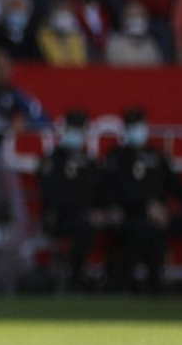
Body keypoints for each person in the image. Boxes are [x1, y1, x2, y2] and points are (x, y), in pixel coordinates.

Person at [103, 108, 182, 293]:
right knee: (149, 227)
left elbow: (177, 185)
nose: (137, 131)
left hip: (161, 215)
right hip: (133, 215)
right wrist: (145, 205)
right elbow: (119, 190)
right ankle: (152, 282)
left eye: (140, 126)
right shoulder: (117, 156)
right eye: (133, 126)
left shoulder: (156, 156)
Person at [38, 109, 120, 292]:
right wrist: (87, 213)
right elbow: (55, 196)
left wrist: (111, 209)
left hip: (89, 215)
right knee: (84, 226)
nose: (76, 134)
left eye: (79, 129)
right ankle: (75, 278)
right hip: (60, 218)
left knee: (124, 224)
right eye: (73, 129)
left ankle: (115, 280)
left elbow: (102, 191)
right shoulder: (52, 160)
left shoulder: (90, 163)